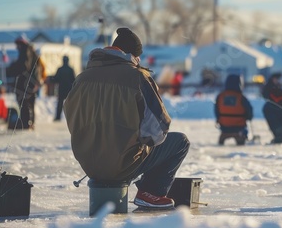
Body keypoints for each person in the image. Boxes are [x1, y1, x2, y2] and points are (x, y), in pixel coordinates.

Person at [64, 27, 190, 209]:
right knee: (180, 142)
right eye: (138, 56)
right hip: (123, 164)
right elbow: (157, 131)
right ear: (132, 55)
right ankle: (151, 193)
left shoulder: (82, 78)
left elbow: (71, 117)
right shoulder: (137, 77)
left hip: (88, 163)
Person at [6, 35, 44, 130]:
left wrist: (11, 68)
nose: (16, 47)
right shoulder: (33, 52)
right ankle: (30, 122)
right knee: (30, 102)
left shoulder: (25, 51)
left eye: (17, 45)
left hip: (25, 82)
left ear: (21, 44)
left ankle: (26, 123)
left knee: (24, 102)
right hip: (32, 82)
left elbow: (23, 66)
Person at [214, 74, 253, 145]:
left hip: (224, 126)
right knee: (244, 133)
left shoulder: (220, 96)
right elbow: (249, 111)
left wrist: (219, 119)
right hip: (239, 127)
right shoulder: (241, 97)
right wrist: (248, 118)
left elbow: (216, 111)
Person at [51, 55, 76, 121]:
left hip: (61, 88)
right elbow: (73, 79)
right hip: (69, 89)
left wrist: (51, 78)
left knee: (60, 103)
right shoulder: (70, 69)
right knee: (70, 104)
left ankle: (58, 117)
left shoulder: (60, 69)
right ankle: (71, 117)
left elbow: (56, 79)